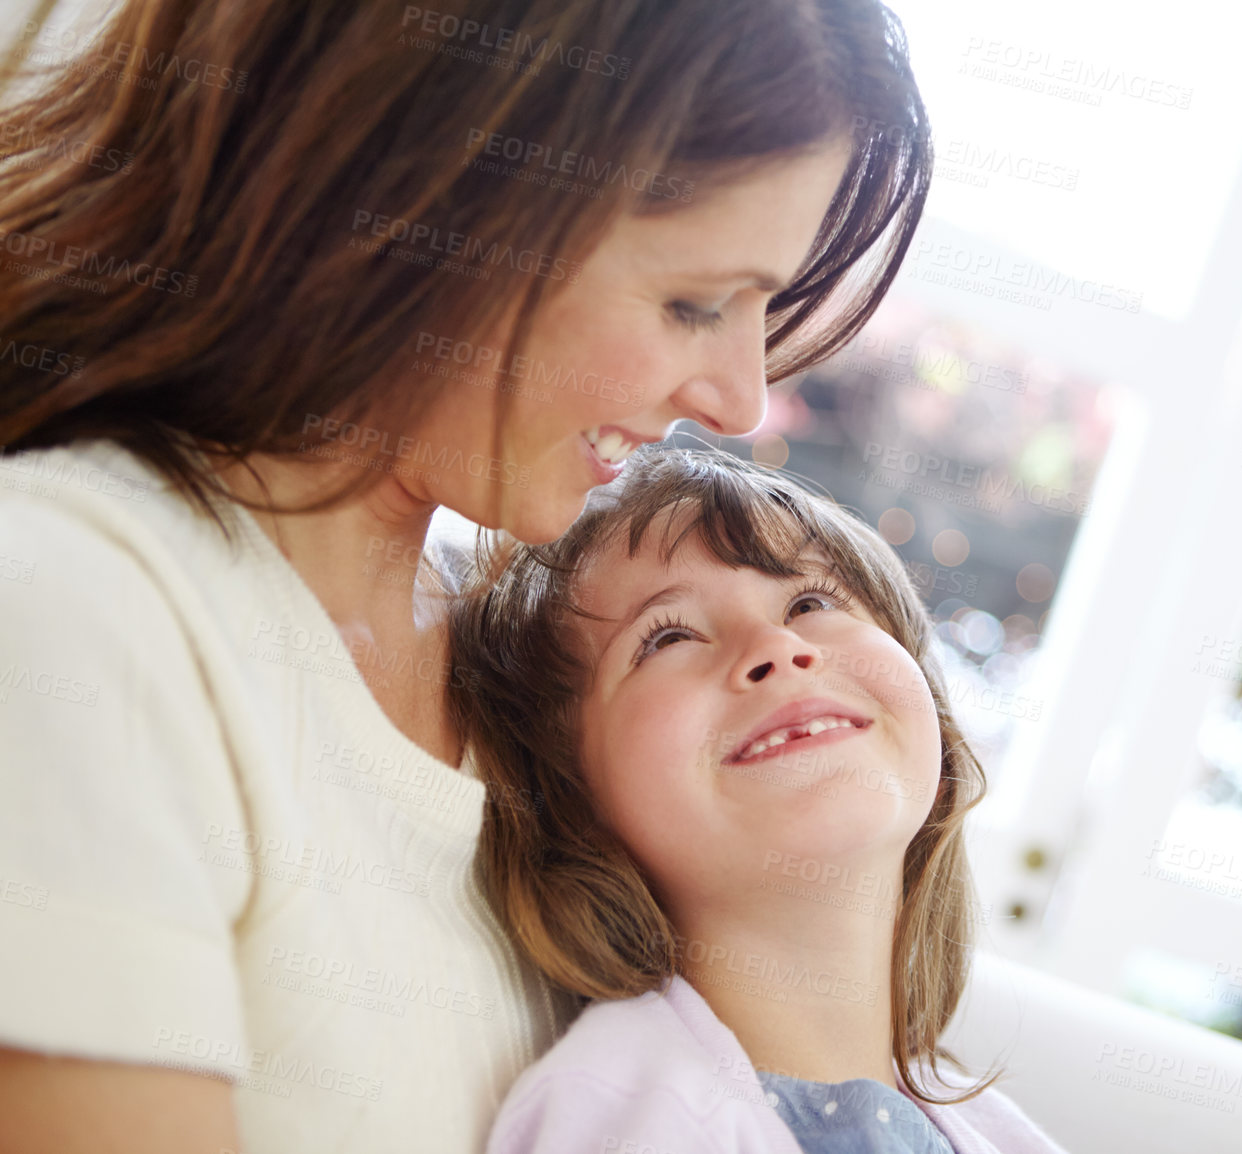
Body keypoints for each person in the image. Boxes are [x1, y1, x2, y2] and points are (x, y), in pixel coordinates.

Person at [0, 1, 931, 1151]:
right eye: (695, 303)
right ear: (424, 200)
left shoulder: (519, 665)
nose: (739, 401)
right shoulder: (74, 611)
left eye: (764, 308)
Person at [445, 445, 1069, 1153]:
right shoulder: (627, 1110)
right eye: (667, 636)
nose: (777, 646)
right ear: (573, 801)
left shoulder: (996, 1135)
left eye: (811, 601)